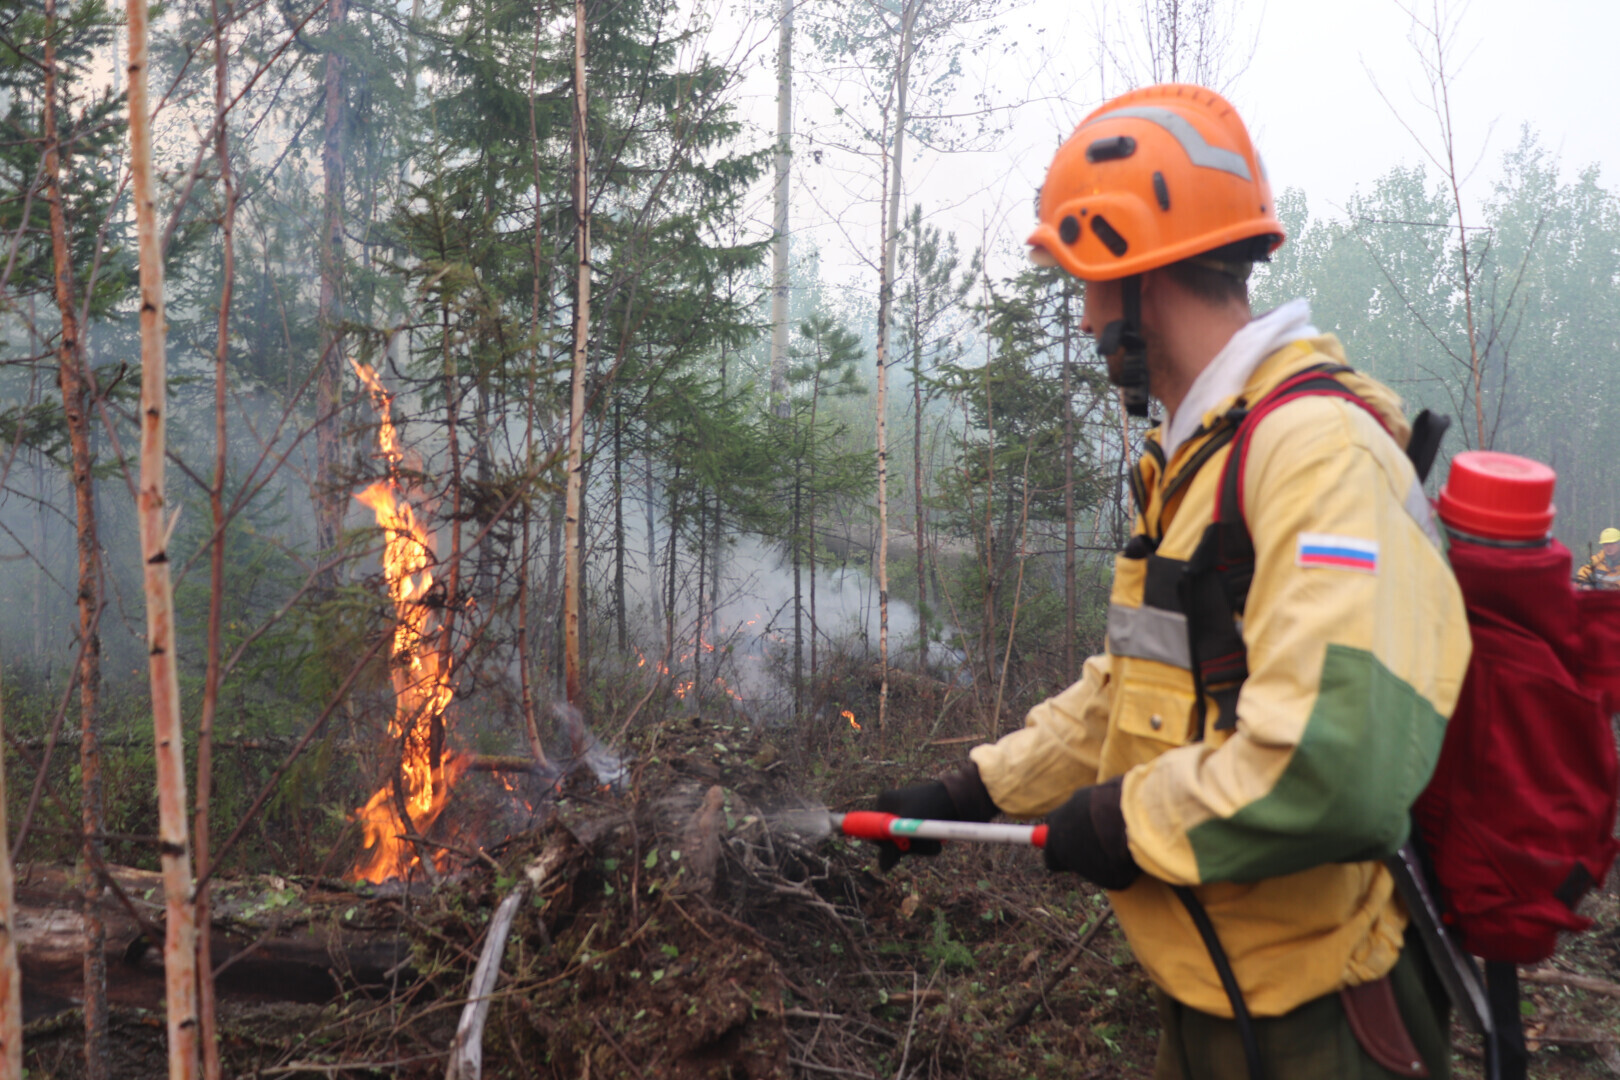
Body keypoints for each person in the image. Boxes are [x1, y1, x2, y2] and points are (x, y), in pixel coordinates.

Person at [874, 84, 1472, 1079]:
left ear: (1137, 273)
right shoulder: (1200, 463)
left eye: (1085, 283)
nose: (1080, 320)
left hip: (1319, 1020)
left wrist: (1124, 819)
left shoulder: (1314, 456)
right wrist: (973, 789)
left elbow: (1336, 769)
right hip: (1213, 1000)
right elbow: (1132, 687)